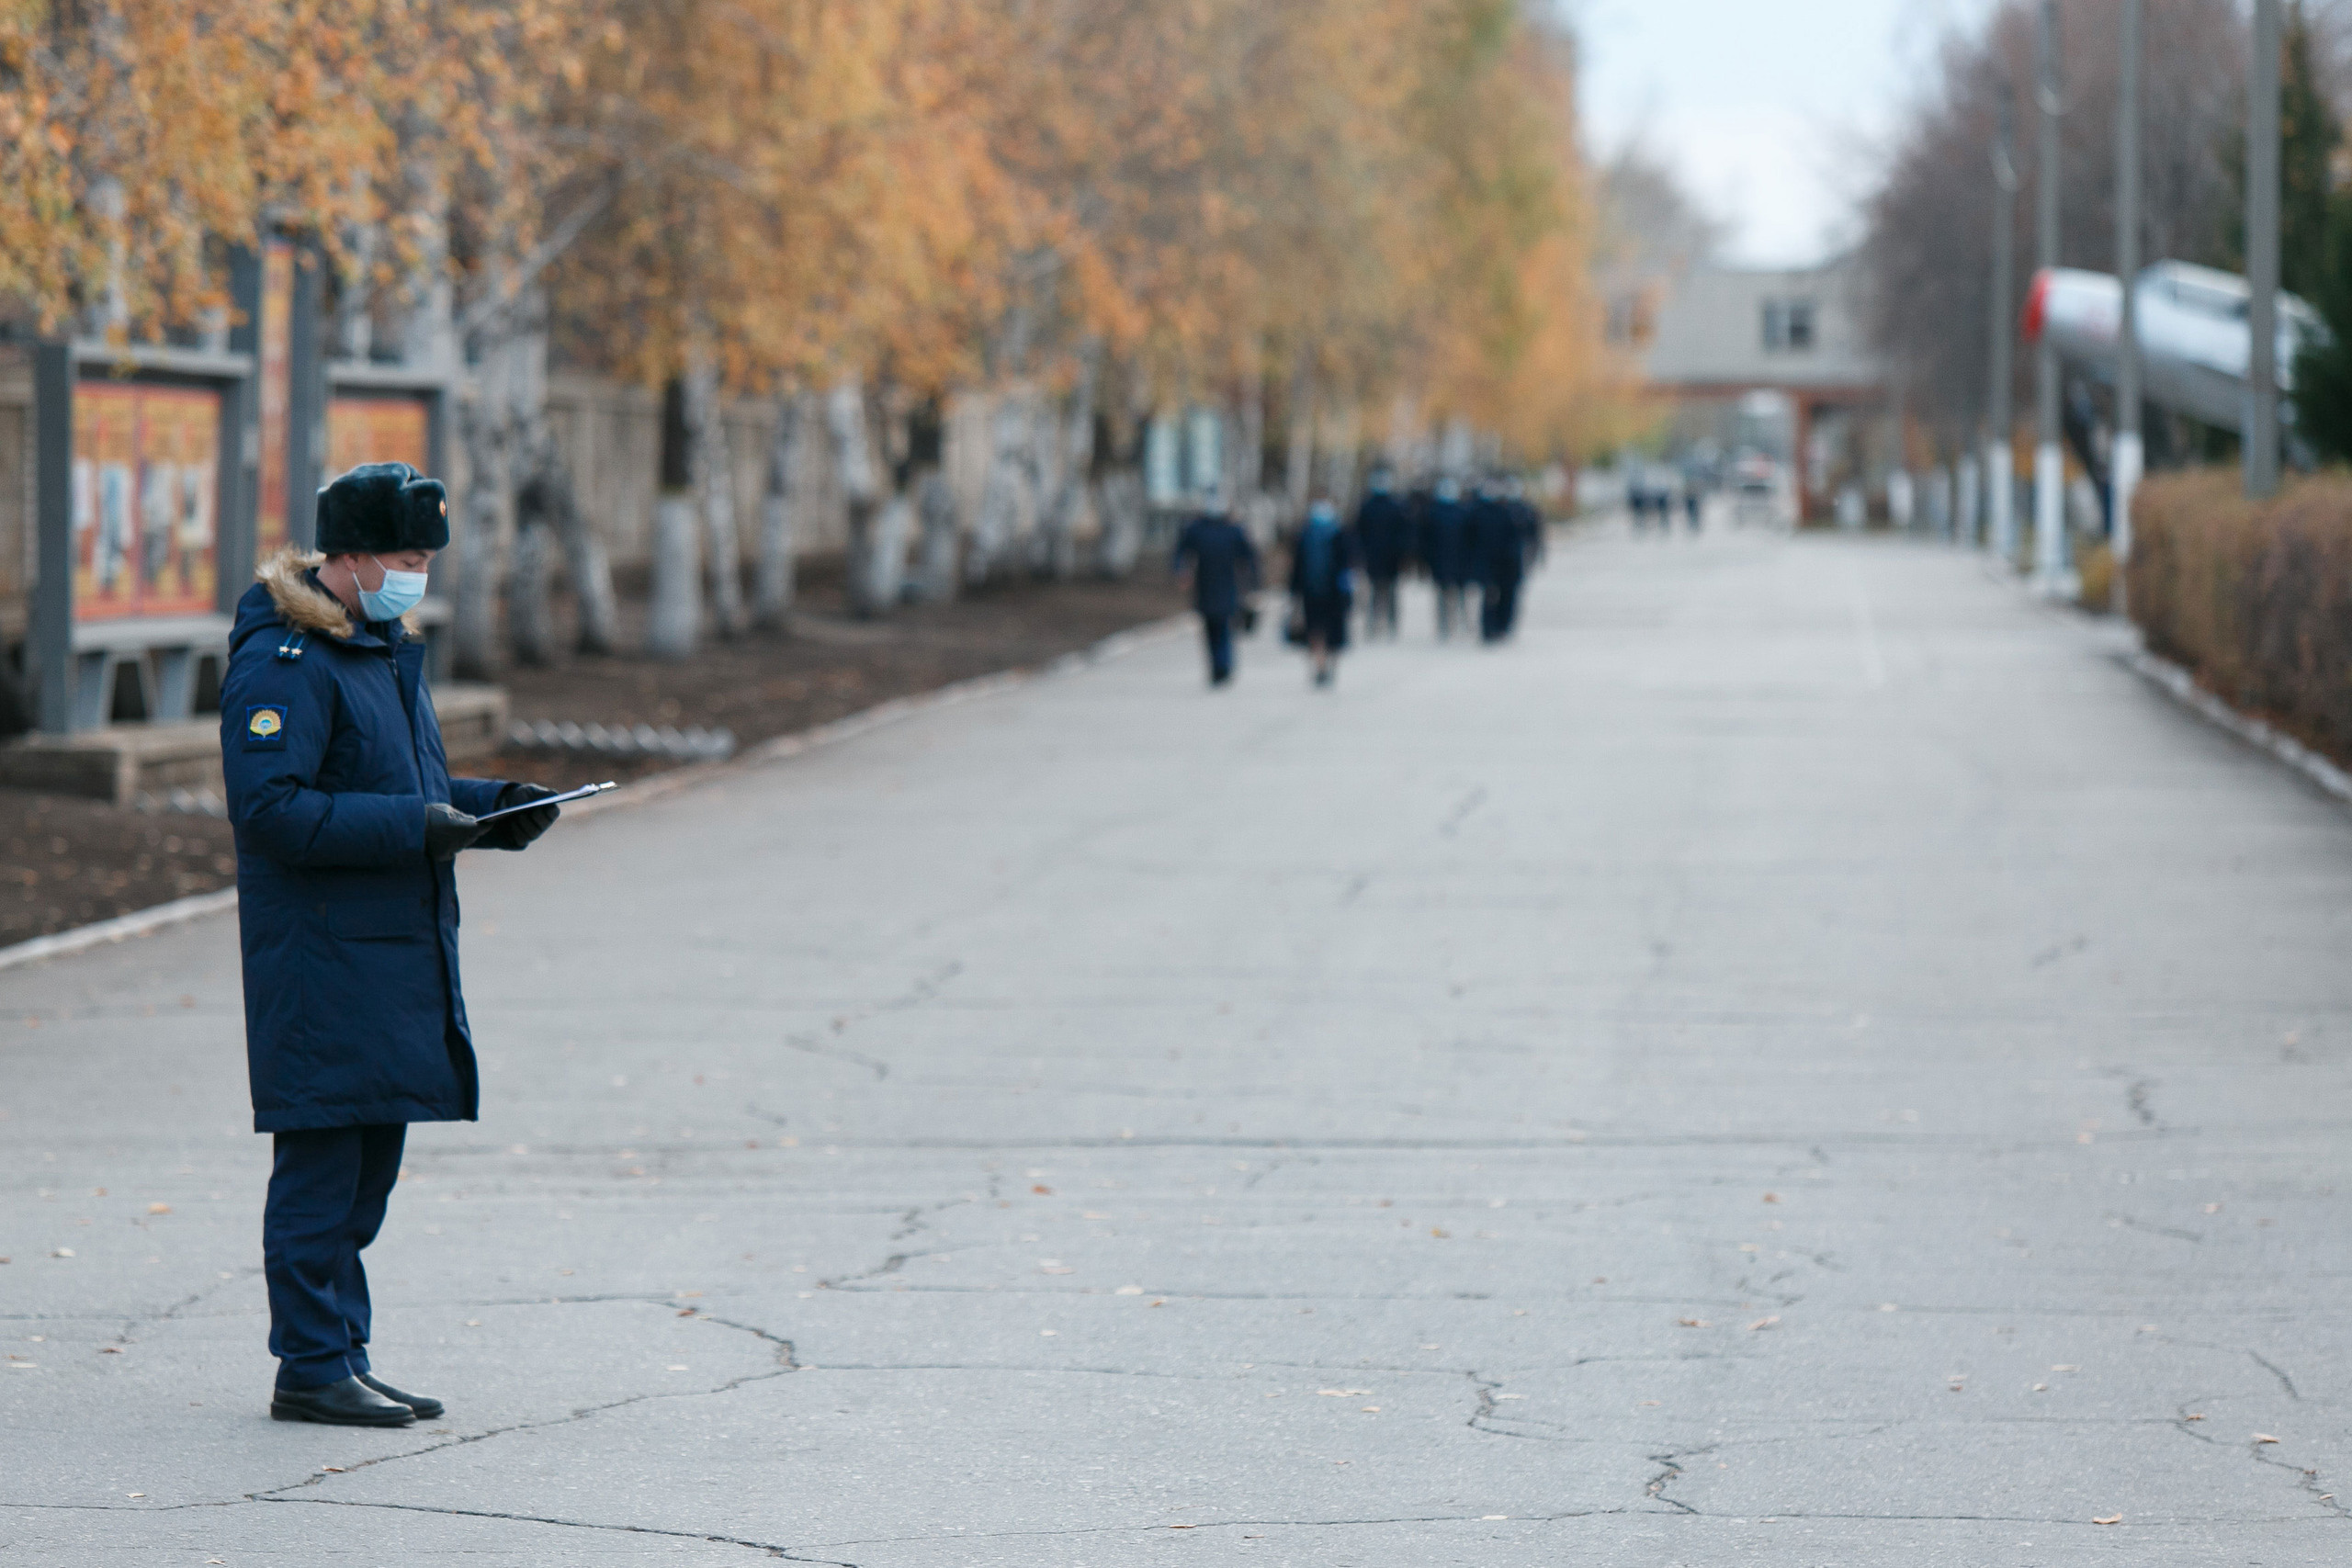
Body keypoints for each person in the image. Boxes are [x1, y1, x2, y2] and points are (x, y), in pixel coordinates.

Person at [220, 462, 562, 1428]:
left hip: (386, 954)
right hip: (321, 958)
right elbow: (272, 811)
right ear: (354, 556)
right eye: (409, 556)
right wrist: (420, 827)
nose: (420, 572)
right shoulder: (286, 660)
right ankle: (311, 1367)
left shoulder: (377, 648)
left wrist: (496, 810)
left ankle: (343, 1356)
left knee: (367, 1174)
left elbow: (403, 784)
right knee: (324, 1172)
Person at [1171, 487, 1261, 687]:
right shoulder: (1196, 529)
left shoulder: (1233, 530)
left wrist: (1252, 584)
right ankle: (1216, 667)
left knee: (1224, 626)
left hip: (1228, 585)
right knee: (1210, 628)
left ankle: (1223, 666)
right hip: (1204, 586)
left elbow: (1249, 557)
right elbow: (1181, 552)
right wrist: (1181, 571)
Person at [1287, 496, 1357, 686]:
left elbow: (1297, 567)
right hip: (1335, 593)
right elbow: (1348, 566)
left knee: (1315, 630)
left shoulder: (1306, 534)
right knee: (1332, 632)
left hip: (1311, 592)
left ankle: (1320, 666)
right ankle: (1328, 665)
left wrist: (1294, 591)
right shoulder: (1340, 533)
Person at [1352, 468, 1413, 639]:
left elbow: (1404, 533)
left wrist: (1403, 554)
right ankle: (1374, 624)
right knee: (1374, 591)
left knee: (1389, 591)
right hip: (1374, 556)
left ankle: (1390, 624)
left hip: (1390, 557)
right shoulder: (1368, 506)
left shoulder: (1396, 506)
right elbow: (1359, 532)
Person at [1466, 478, 1527, 644]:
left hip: (1503, 565)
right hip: (1490, 564)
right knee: (1490, 597)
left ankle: (1498, 628)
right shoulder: (1479, 513)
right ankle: (1490, 629)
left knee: (1501, 597)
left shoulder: (1506, 512)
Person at [1420, 476, 1471, 639]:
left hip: (1458, 560)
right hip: (1441, 560)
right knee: (1443, 594)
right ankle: (1444, 625)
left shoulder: (1462, 512)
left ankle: (1459, 622)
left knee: (1458, 593)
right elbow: (1426, 540)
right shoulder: (1433, 512)